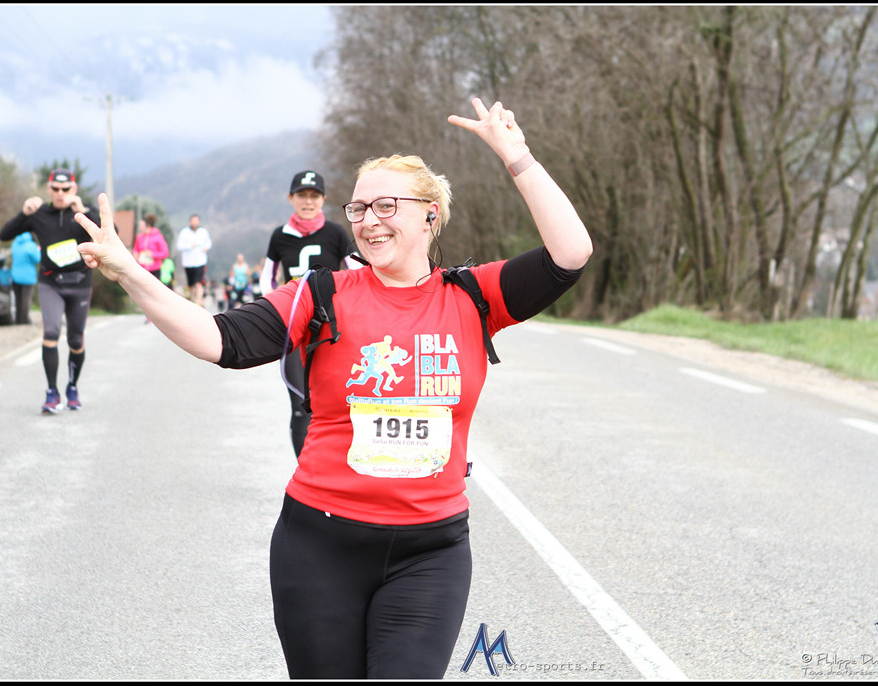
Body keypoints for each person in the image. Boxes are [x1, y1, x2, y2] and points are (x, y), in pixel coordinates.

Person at [75, 98, 592, 679]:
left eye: (387, 205)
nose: (370, 220)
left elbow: (570, 254)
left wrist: (518, 157)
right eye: (360, 207)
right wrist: (130, 272)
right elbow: (220, 339)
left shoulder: (473, 296)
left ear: (430, 215)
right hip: (320, 548)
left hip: (431, 553)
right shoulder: (321, 294)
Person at [260, 170, 363, 458]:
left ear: (323, 199)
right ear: (290, 198)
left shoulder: (336, 232)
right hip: (294, 329)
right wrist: (273, 308)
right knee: (300, 405)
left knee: (337, 401)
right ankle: (305, 471)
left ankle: (336, 466)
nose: (308, 201)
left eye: (314, 195)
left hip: (332, 330)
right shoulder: (280, 235)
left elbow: (358, 273)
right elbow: (267, 278)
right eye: (302, 195)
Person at [0, 168, 103, 415]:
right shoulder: (40, 213)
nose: (60, 193)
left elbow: (111, 236)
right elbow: (4, 234)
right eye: (55, 189)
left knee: (75, 339)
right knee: (52, 332)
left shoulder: (84, 212)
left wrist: (85, 212)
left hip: (80, 284)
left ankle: (72, 388)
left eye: (65, 189)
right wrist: (24, 213)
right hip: (50, 283)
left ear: (74, 189)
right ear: (48, 189)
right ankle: (51, 392)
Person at [176, 213, 212, 306]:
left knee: (198, 282)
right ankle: (192, 301)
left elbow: (208, 242)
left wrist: (206, 247)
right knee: (191, 284)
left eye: (196, 221)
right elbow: (179, 246)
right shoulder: (184, 232)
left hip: (200, 261)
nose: (195, 223)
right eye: (193, 221)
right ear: (190, 222)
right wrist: (190, 246)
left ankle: (199, 302)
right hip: (188, 262)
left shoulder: (203, 232)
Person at [10, 231, 41, 324]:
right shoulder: (31, 246)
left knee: (18, 299)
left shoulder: (15, 243)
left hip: (15, 274)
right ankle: (24, 319)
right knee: (26, 300)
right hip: (28, 276)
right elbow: (37, 259)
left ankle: (17, 319)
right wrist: (38, 250)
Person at [132, 213, 169, 283]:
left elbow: (165, 253)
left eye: (141, 226)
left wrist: (152, 254)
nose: (139, 228)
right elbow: (136, 249)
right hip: (142, 268)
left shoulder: (158, 237)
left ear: (148, 226)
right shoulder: (139, 237)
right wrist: (135, 254)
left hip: (155, 269)